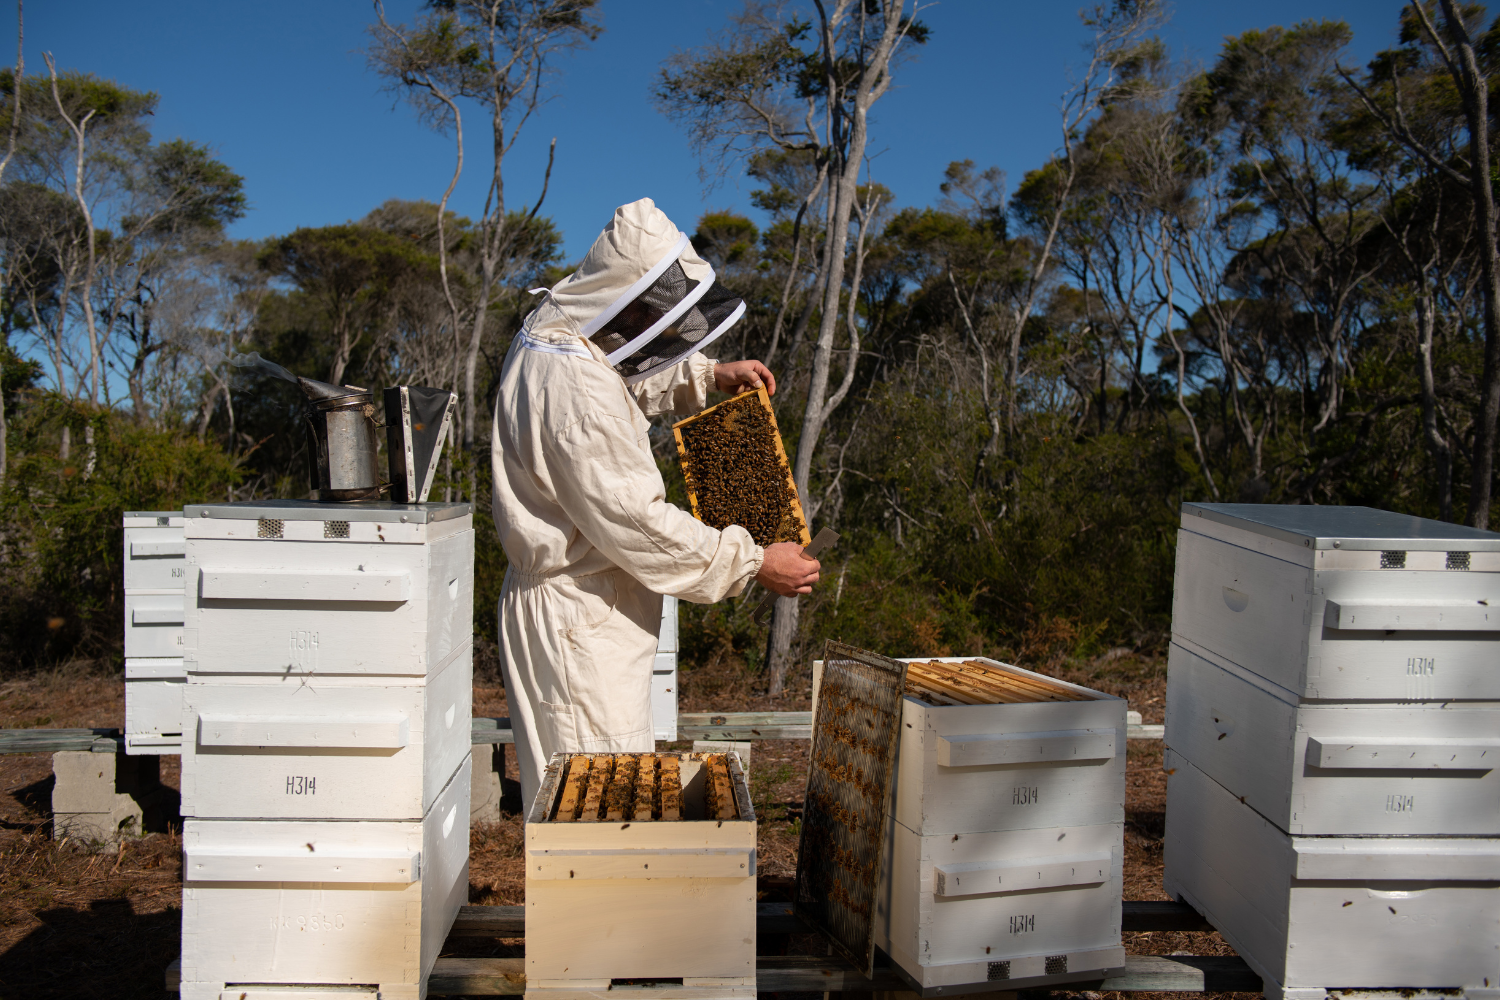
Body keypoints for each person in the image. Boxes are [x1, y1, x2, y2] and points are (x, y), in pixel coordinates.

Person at [491, 198, 820, 809]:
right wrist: (749, 562)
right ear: (621, 292)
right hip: (578, 623)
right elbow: (638, 522)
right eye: (651, 307)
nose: (656, 322)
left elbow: (620, 366)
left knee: (603, 811)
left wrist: (706, 373)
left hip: (587, 612)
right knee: (599, 818)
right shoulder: (573, 391)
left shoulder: (560, 326)